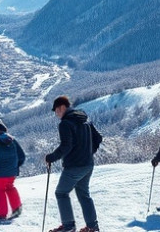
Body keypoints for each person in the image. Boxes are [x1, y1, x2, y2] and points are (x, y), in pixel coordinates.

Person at [45, 95, 103, 232]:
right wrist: (88, 153)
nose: (56, 114)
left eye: (57, 111)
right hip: (88, 164)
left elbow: (66, 146)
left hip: (74, 166)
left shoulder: (65, 123)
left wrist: (50, 157)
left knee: (61, 193)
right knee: (83, 194)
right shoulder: (85, 120)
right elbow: (98, 138)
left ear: (63, 107)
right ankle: (92, 227)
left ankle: (68, 226)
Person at [0, 119, 26, 222]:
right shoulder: (13, 140)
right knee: (10, 187)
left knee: (0, 191)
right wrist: (15, 166)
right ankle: (17, 208)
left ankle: (2, 214)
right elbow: (22, 156)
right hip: (12, 173)